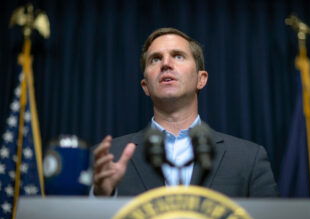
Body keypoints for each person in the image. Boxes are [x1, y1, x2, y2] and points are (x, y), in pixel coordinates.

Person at [92, 27, 278, 197]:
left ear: (201, 79)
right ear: (145, 86)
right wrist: (102, 196)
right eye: (155, 59)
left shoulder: (248, 158)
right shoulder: (108, 158)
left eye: (178, 56)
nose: (165, 64)